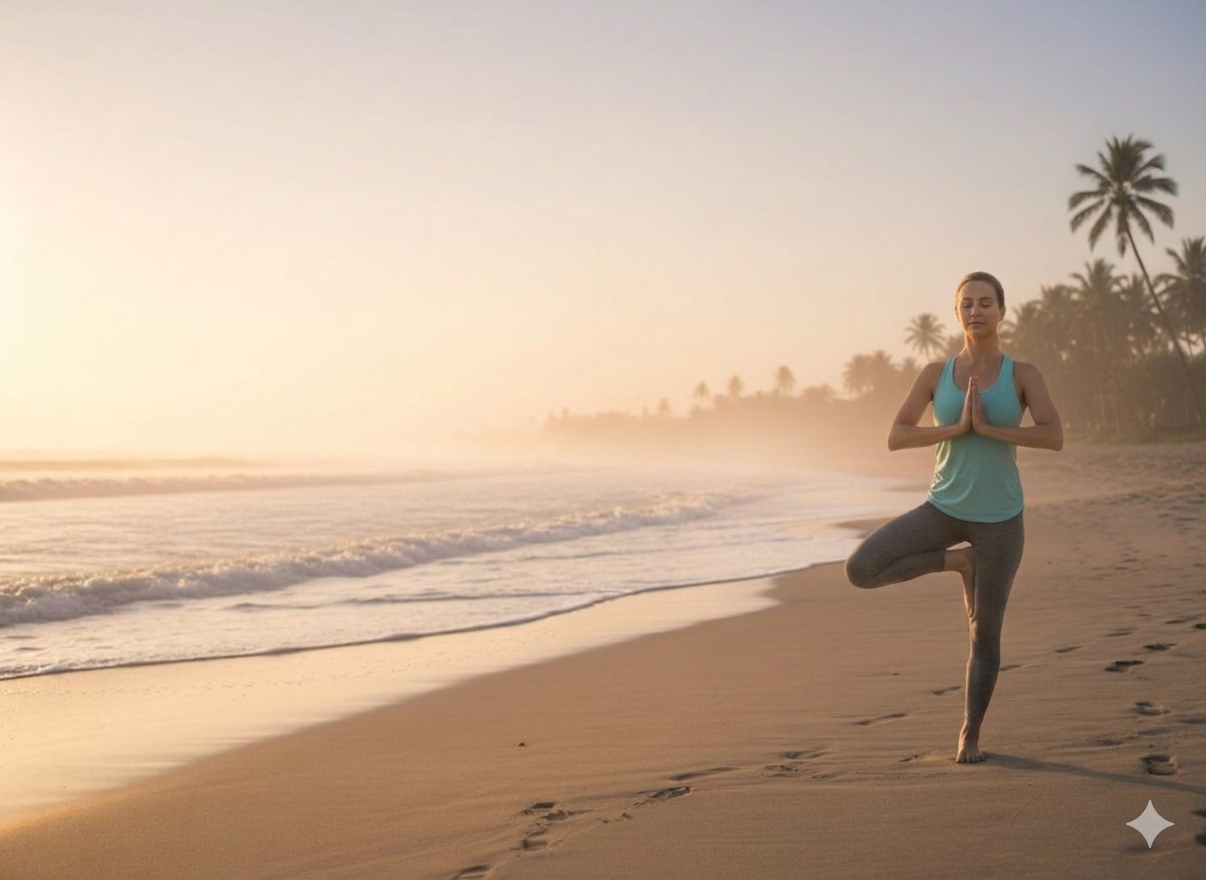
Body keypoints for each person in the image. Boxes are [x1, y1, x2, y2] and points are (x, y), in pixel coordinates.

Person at [844, 271, 1063, 763]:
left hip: (1001, 520)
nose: (976, 311)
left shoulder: (1022, 374)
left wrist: (988, 429)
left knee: (985, 634)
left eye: (986, 303)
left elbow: (1054, 436)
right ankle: (957, 563)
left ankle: (971, 732)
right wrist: (956, 428)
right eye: (967, 304)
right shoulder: (934, 374)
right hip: (942, 509)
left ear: (1002, 311)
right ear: (957, 312)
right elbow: (897, 434)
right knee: (861, 568)